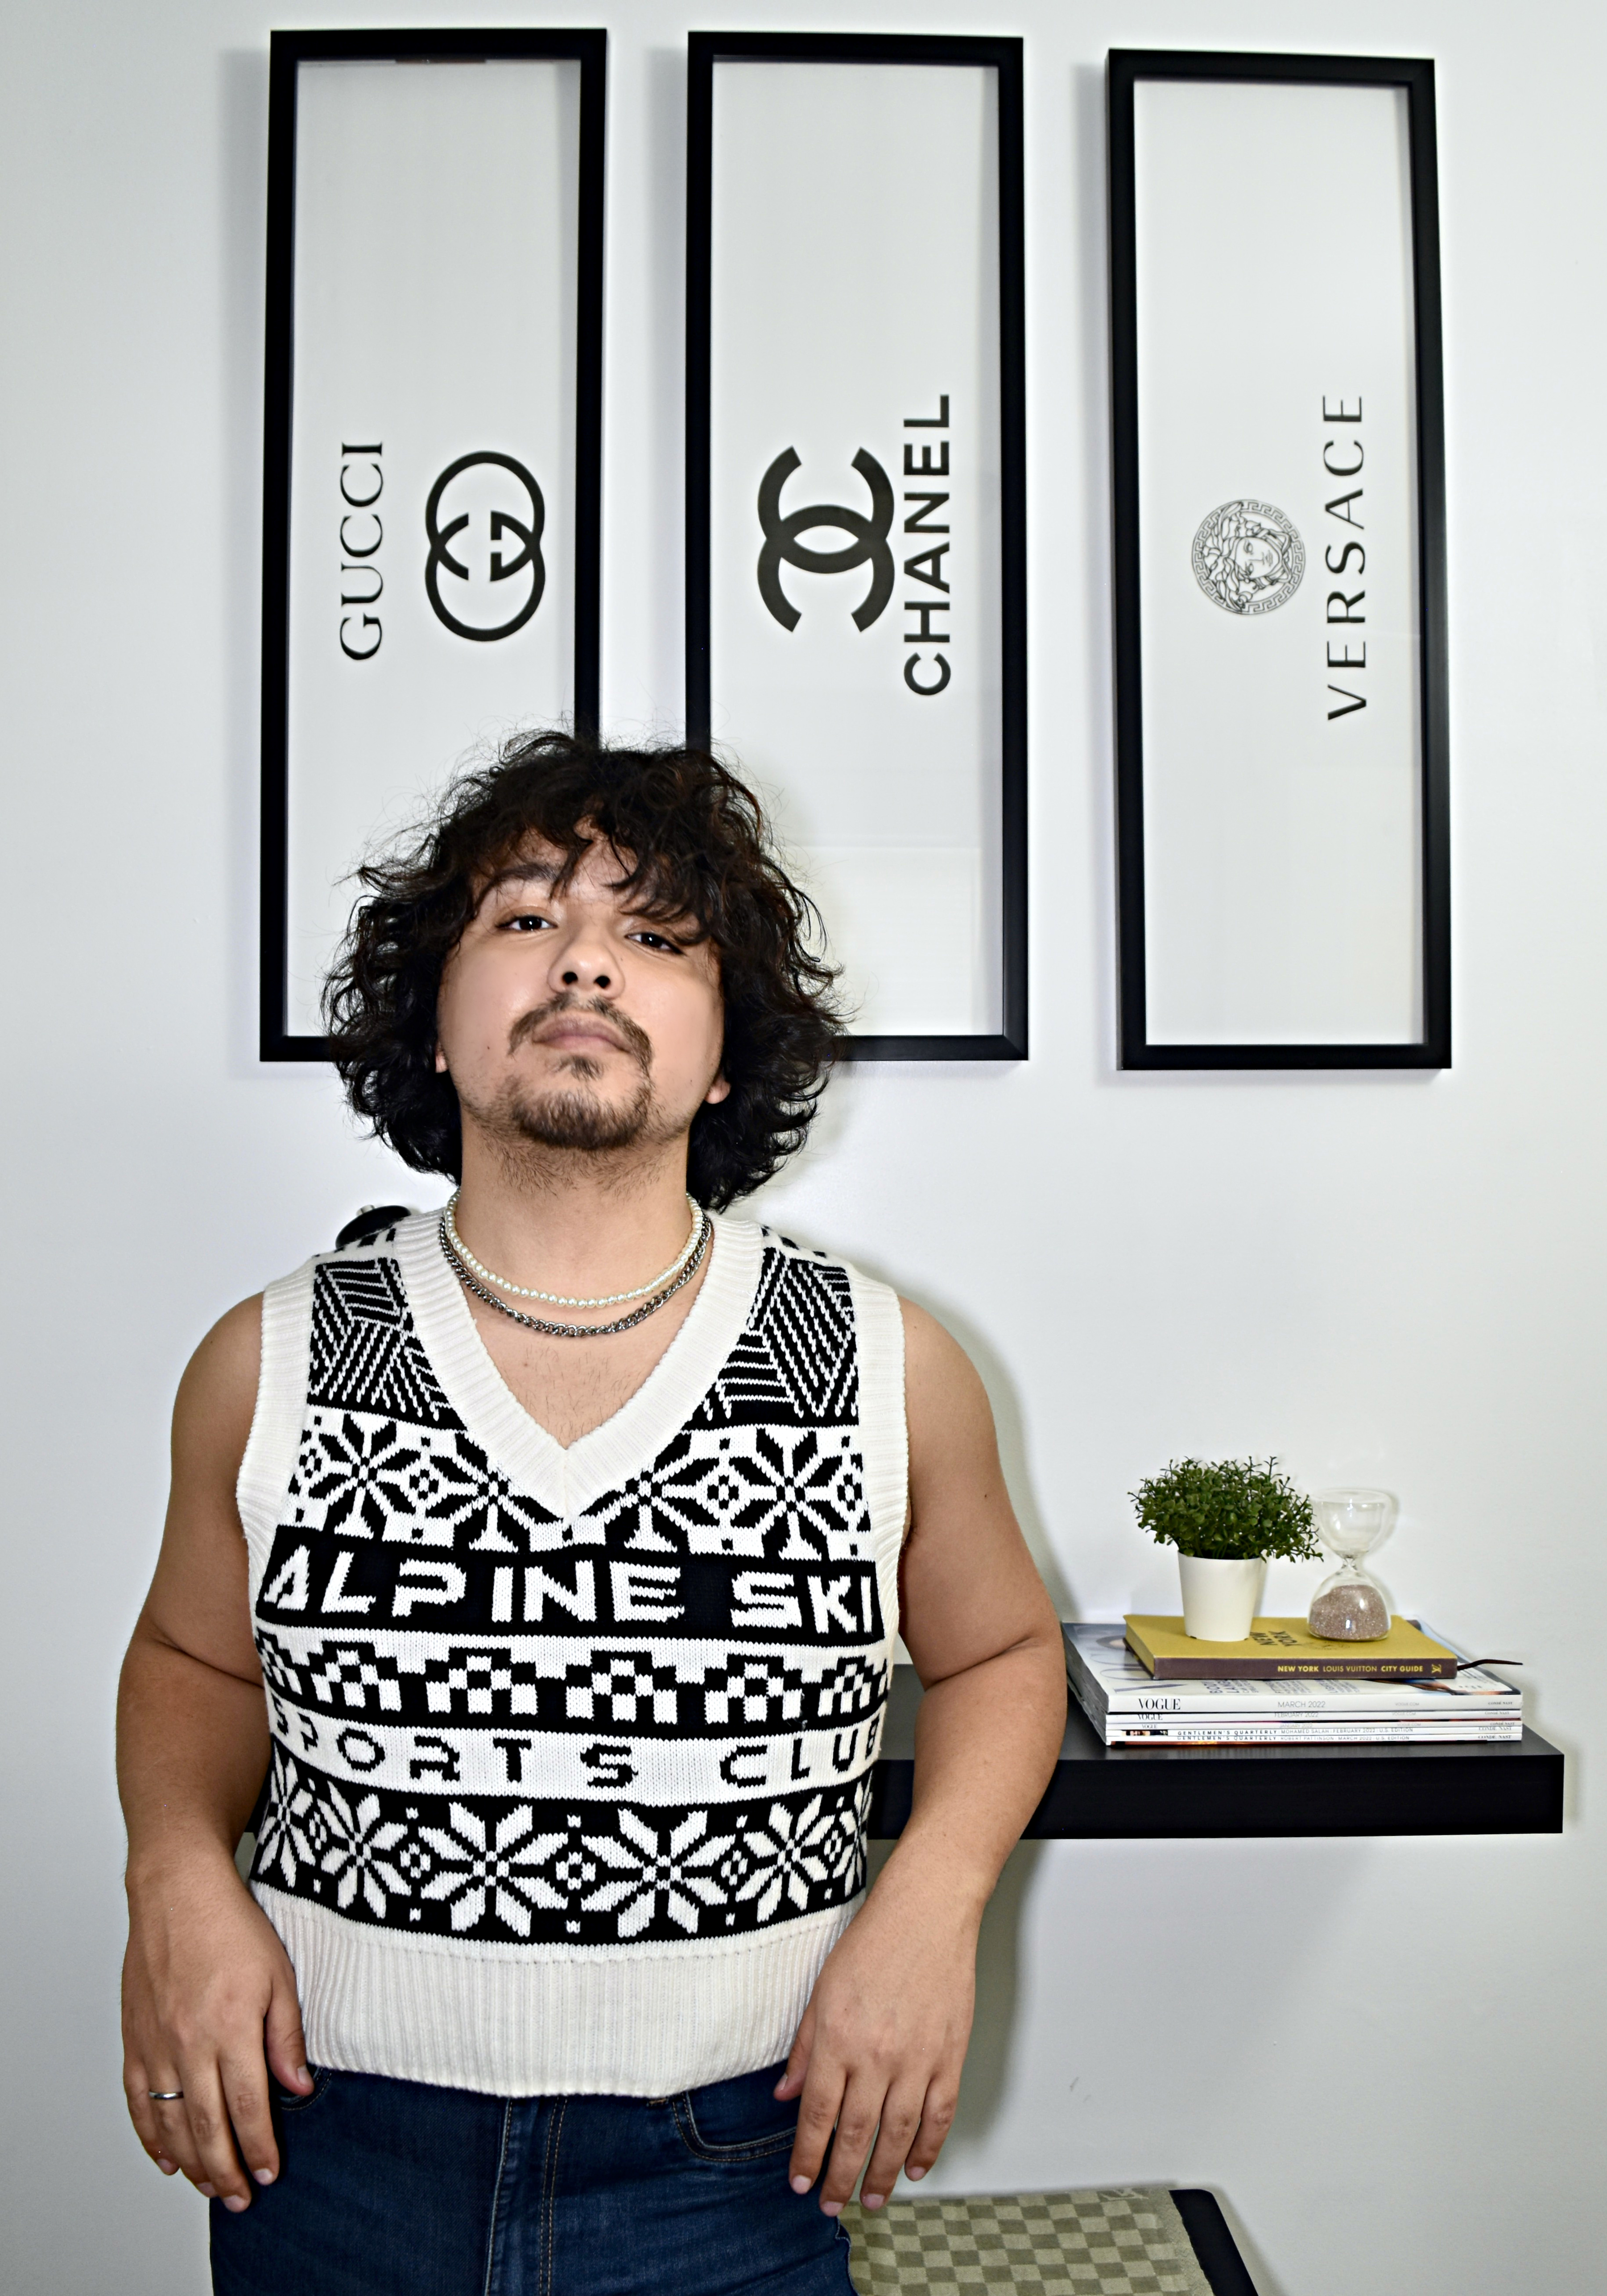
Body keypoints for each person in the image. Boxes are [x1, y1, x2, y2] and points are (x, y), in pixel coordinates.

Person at [117, 731, 1067, 2296]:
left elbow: (1003, 1656)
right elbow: (190, 1660)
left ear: (726, 1053)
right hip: (325, 2149)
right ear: (433, 1026)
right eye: (523, 919)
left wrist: (932, 1903)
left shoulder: (887, 1366)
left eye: (657, 934)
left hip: (740, 2162)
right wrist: (171, 1869)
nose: (584, 962)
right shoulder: (266, 1358)